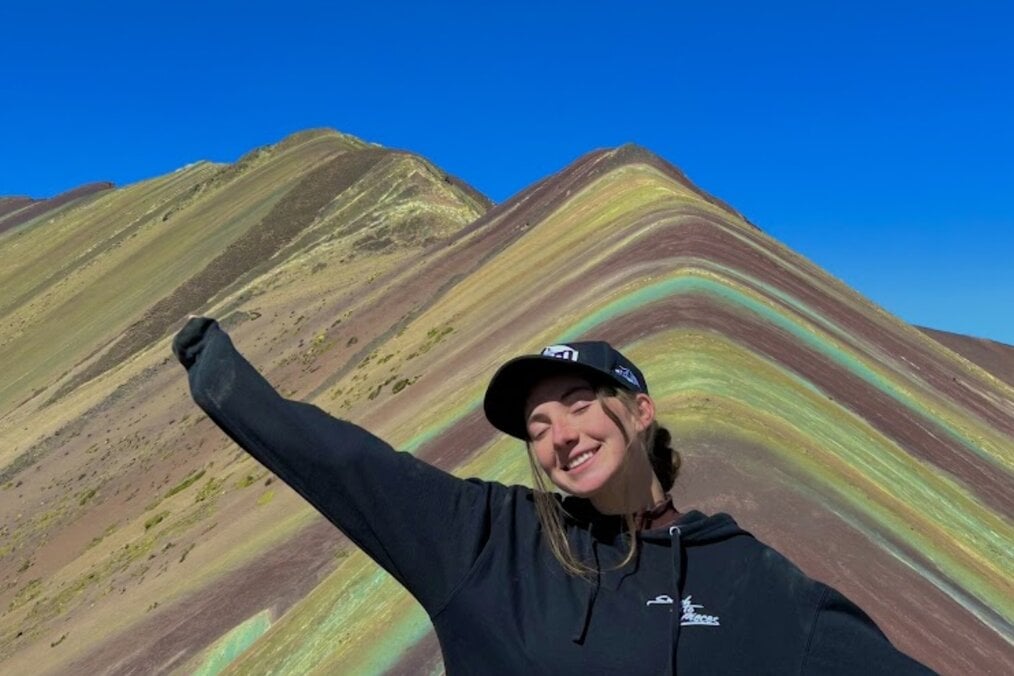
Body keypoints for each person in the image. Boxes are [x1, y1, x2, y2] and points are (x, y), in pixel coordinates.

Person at [173, 317, 934, 675]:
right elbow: (347, 464)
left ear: (640, 410)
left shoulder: (755, 583)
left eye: (576, 403)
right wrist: (223, 380)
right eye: (537, 425)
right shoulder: (489, 542)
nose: (558, 434)